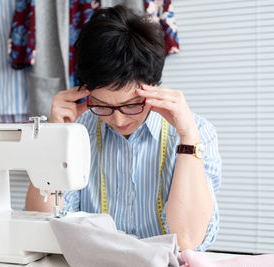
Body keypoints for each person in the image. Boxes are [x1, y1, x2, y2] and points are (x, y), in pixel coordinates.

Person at [26, 5, 221, 252]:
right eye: (103, 105)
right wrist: (54, 139)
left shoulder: (196, 132)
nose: (118, 121)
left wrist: (189, 138)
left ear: (152, 86)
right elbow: (40, 225)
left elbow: (186, 241)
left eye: (130, 105)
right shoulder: (79, 130)